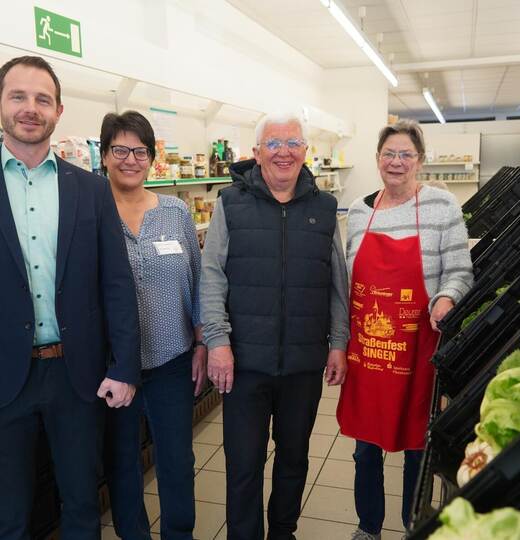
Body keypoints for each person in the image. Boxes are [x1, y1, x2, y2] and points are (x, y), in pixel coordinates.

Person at [0, 56, 140, 539]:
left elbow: (117, 283)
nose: (30, 108)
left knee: (82, 503)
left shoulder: (92, 190)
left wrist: (124, 367)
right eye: (18, 96)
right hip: (5, 376)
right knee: (9, 514)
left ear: (59, 110)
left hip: (76, 375)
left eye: (43, 99)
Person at [200, 112, 349, 540]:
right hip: (244, 363)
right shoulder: (230, 203)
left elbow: (337, 281)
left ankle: (283, 532)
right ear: (256, 152)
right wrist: (217, 342)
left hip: (304, 364)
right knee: (243, 464)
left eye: (293, 143)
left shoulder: (324, 208)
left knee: (293, 459)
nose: (284, 152)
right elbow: (211, 275)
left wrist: (338, 342)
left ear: (305, 152)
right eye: (273, 143)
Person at [336, 119, 474, 540]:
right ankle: (368, 527)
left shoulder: (441, 206)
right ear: (378, 159)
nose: (396, 162)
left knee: (417, 446)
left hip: (418, 349)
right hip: (368, 352)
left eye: (406, 155)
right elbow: (348, 282)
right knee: (365, 449)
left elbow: (460, 271)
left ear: (420, 160)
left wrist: (446, 298)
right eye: (389, 154)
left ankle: (412, 525)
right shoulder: (360, 211)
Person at [100, 110, 207, 540]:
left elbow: (198, 280)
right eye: (120, 150)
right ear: (104, 155)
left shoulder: (176, 212)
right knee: (122, 462)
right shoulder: (90, 212)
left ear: (151, 158)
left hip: (172, 360)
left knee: (177, 460)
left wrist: (202, 342)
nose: (130, 159)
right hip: (112, 366)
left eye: (140, 151)